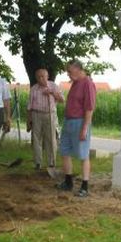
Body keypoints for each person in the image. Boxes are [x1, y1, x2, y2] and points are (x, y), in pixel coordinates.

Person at [57, 60, 96, 197]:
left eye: (70, 71)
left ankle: (84, 186)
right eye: (67, 71)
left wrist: (84, 128)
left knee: (83, 155)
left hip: (80, 123)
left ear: (79, 69)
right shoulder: (75, 83)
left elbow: (89, 108)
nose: (68, 74)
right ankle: (68, 182)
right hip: (68, 122)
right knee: (64, 152)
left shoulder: (87, 84)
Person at [27, 68, 64, 170]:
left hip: (50, 114)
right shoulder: (34, 88)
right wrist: (28, 121)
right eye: (38, 77)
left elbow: (62, 100)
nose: (41, 79)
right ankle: (37, 162)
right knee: (36, 139)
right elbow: (29, 106)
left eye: (43, 76)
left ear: (47, 77)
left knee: (51, 138)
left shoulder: (53, 86)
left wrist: (52, 93)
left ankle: (51, 162)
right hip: (36, 114)